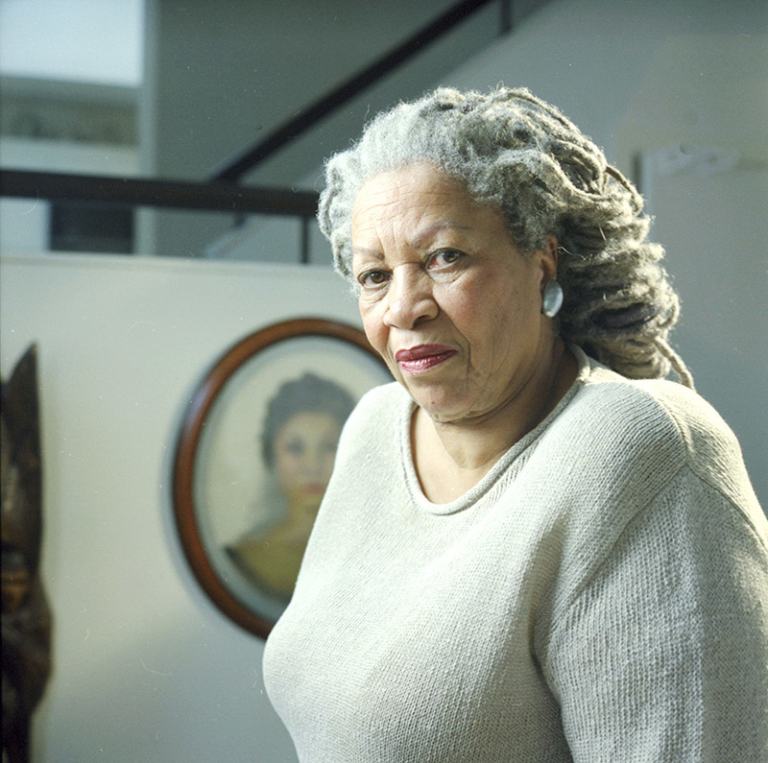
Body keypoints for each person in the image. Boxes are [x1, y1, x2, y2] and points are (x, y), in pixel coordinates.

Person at [262, 87, 768, 761]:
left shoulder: (640, 451)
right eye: (375, 275)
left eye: (446, 257)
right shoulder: (373, 428)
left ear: (542, 265)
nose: (405, 307)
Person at [226, 372, 355, 603]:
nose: (312, 467)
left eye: (329, 446)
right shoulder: (239, 563)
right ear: (272, 456)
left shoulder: (371, 553)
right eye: (295, 448)